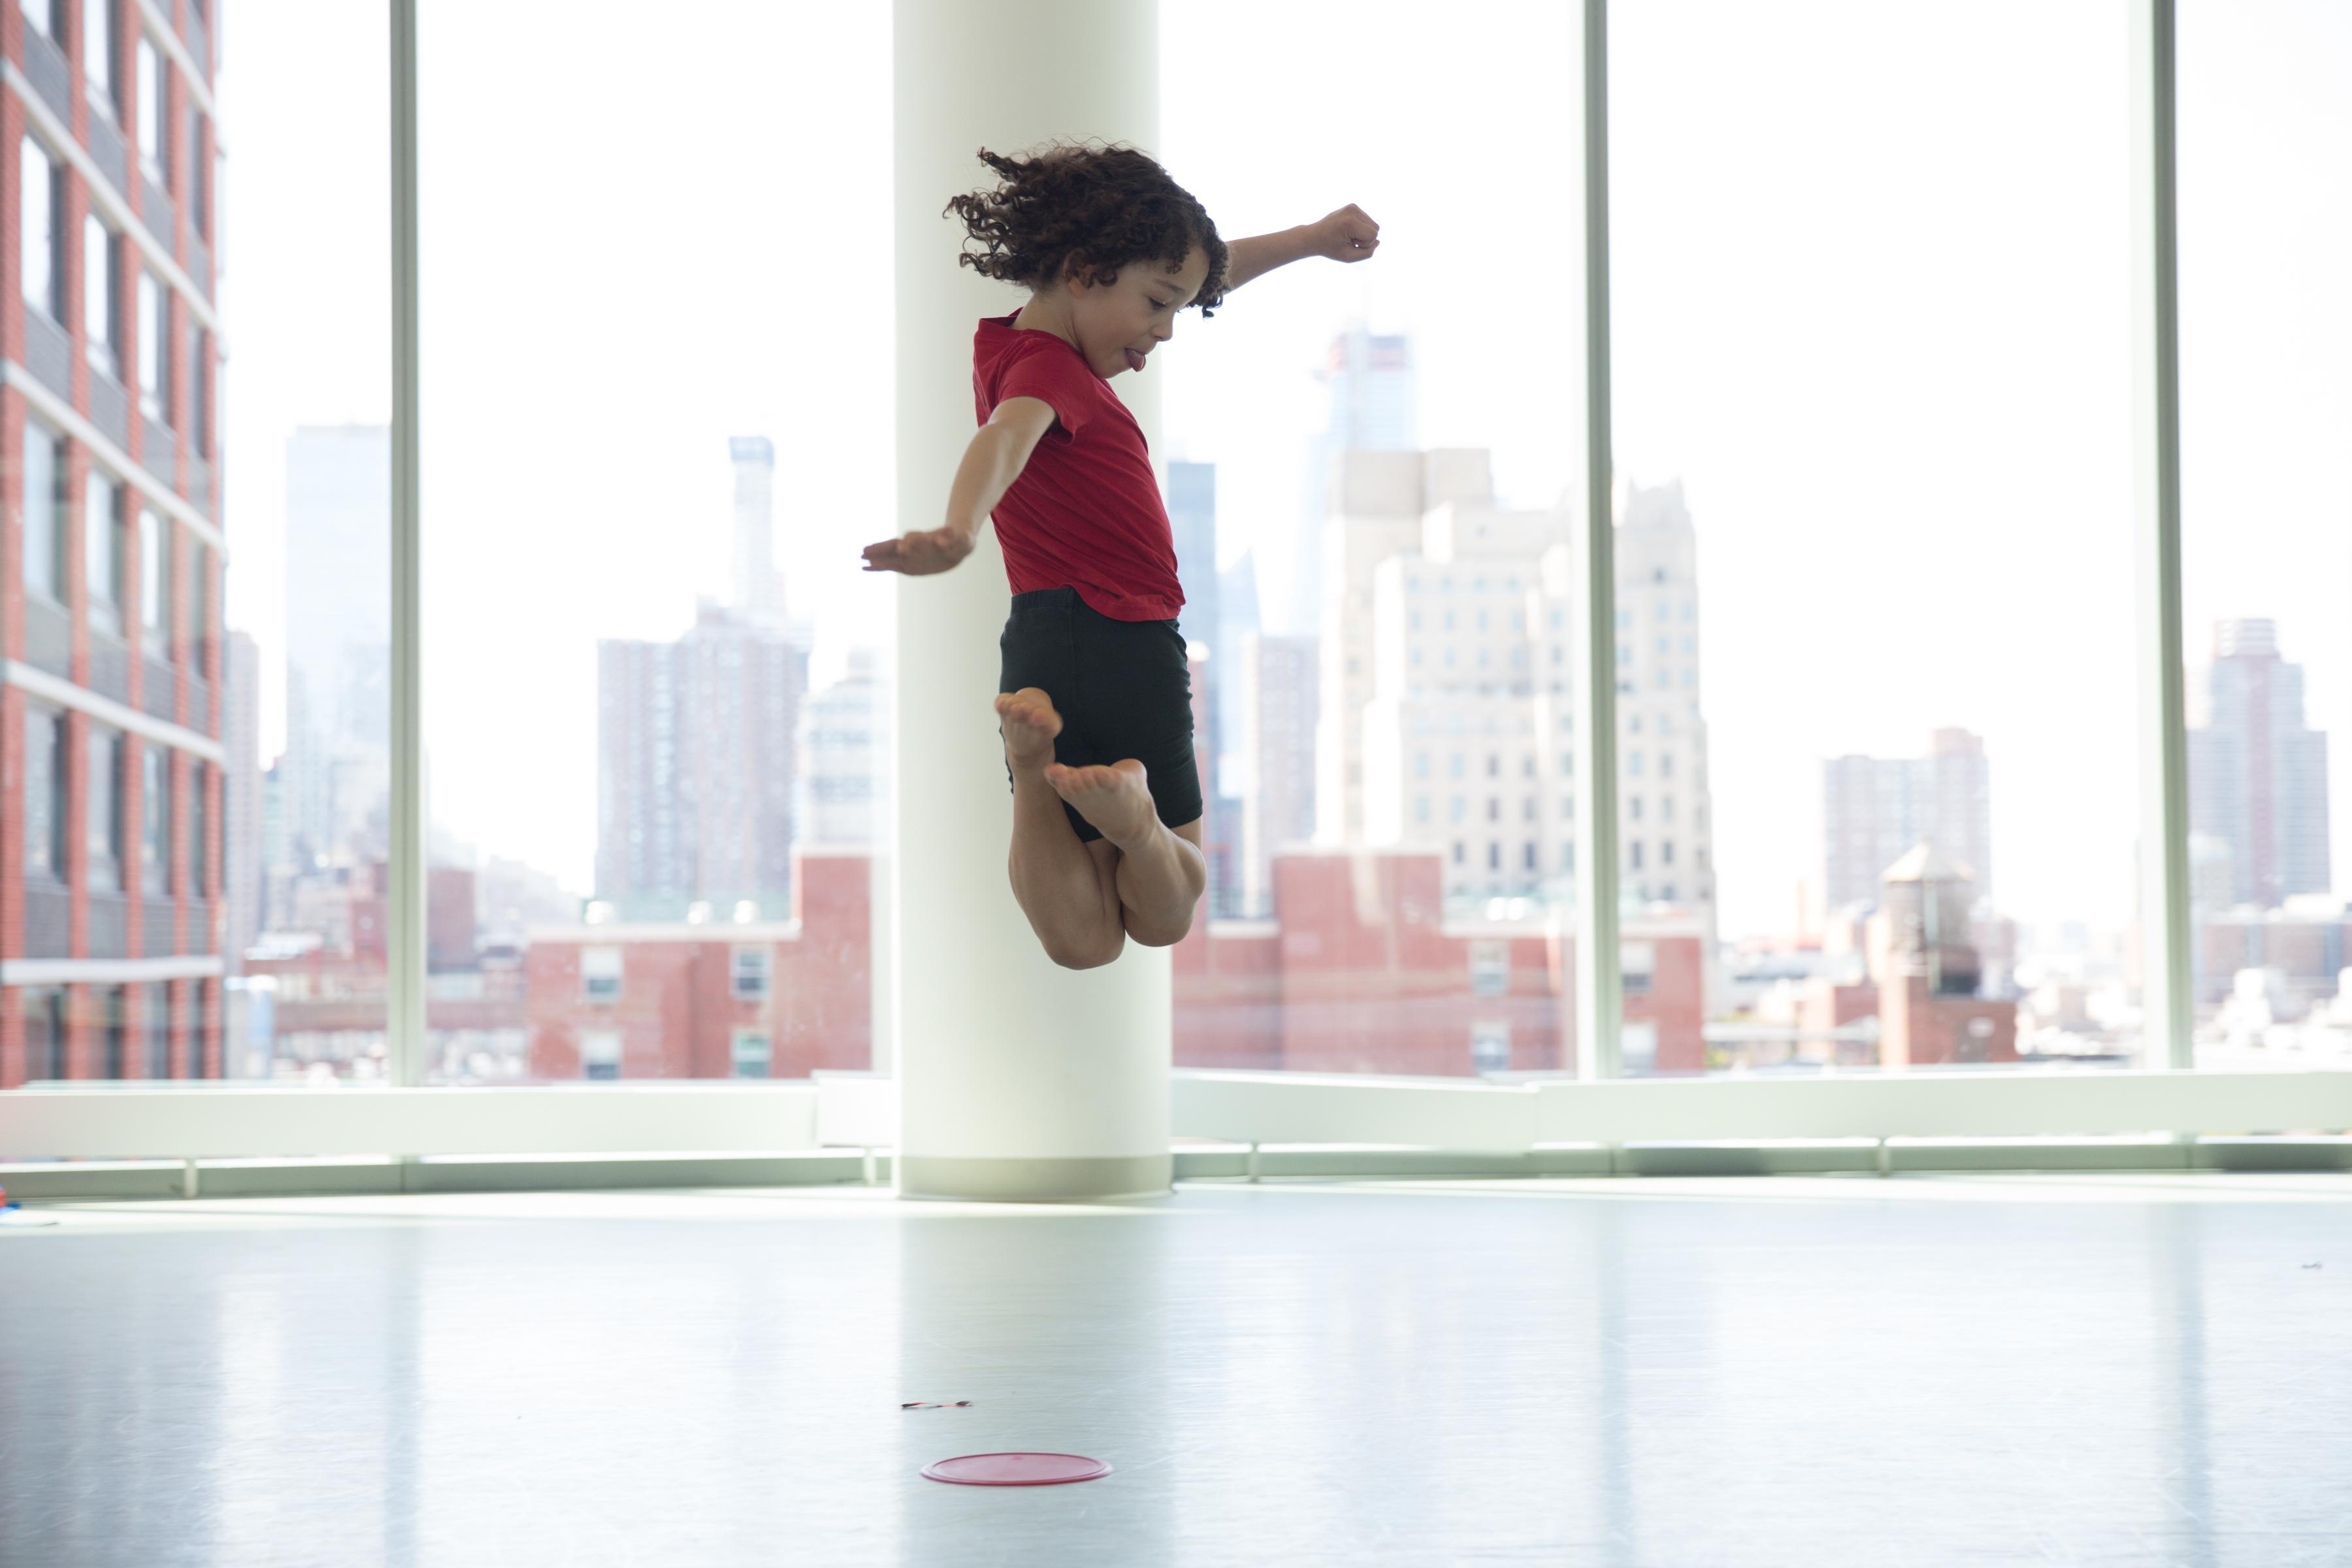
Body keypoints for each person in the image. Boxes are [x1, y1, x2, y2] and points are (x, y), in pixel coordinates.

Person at [862, 138, 1380, 969]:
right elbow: (1004, 440)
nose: (1167, 329)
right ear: (1083, 270)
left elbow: (1198, 275)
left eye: (1178, 307)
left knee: (1086, 944)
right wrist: (959, 527)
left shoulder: (1014, 348)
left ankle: (1035, 774)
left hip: (1043, 644)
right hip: (1131, 640)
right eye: (1157, 304)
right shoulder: (1049, 372)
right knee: (1168, 915)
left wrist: (1309, 238)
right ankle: (1135, 821)